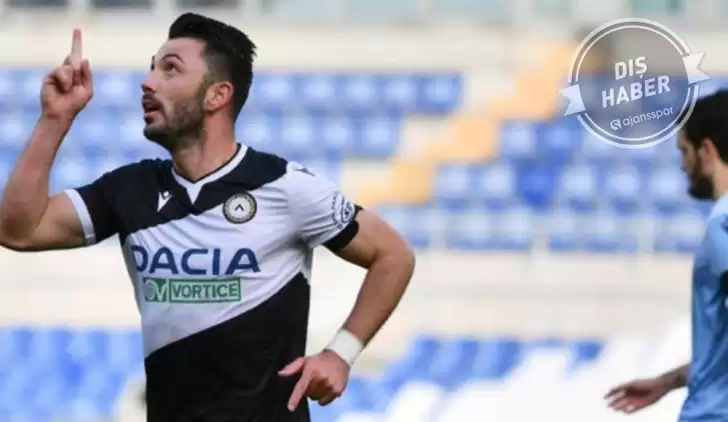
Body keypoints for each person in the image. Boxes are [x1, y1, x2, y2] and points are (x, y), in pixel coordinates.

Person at [0, 13, 416, 422]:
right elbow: (19, 230)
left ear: (217, 95)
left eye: (170, 69)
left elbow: (393, 255)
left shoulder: (284, 186)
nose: (147, 82)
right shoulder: (130, 189)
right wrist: (55, 118)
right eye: (151, 68)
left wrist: (341, 353)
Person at [604, 90, 728, 420]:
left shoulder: (724, 226)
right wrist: (669, 381)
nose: (683, 166)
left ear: (707, 150)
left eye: (685, 152)